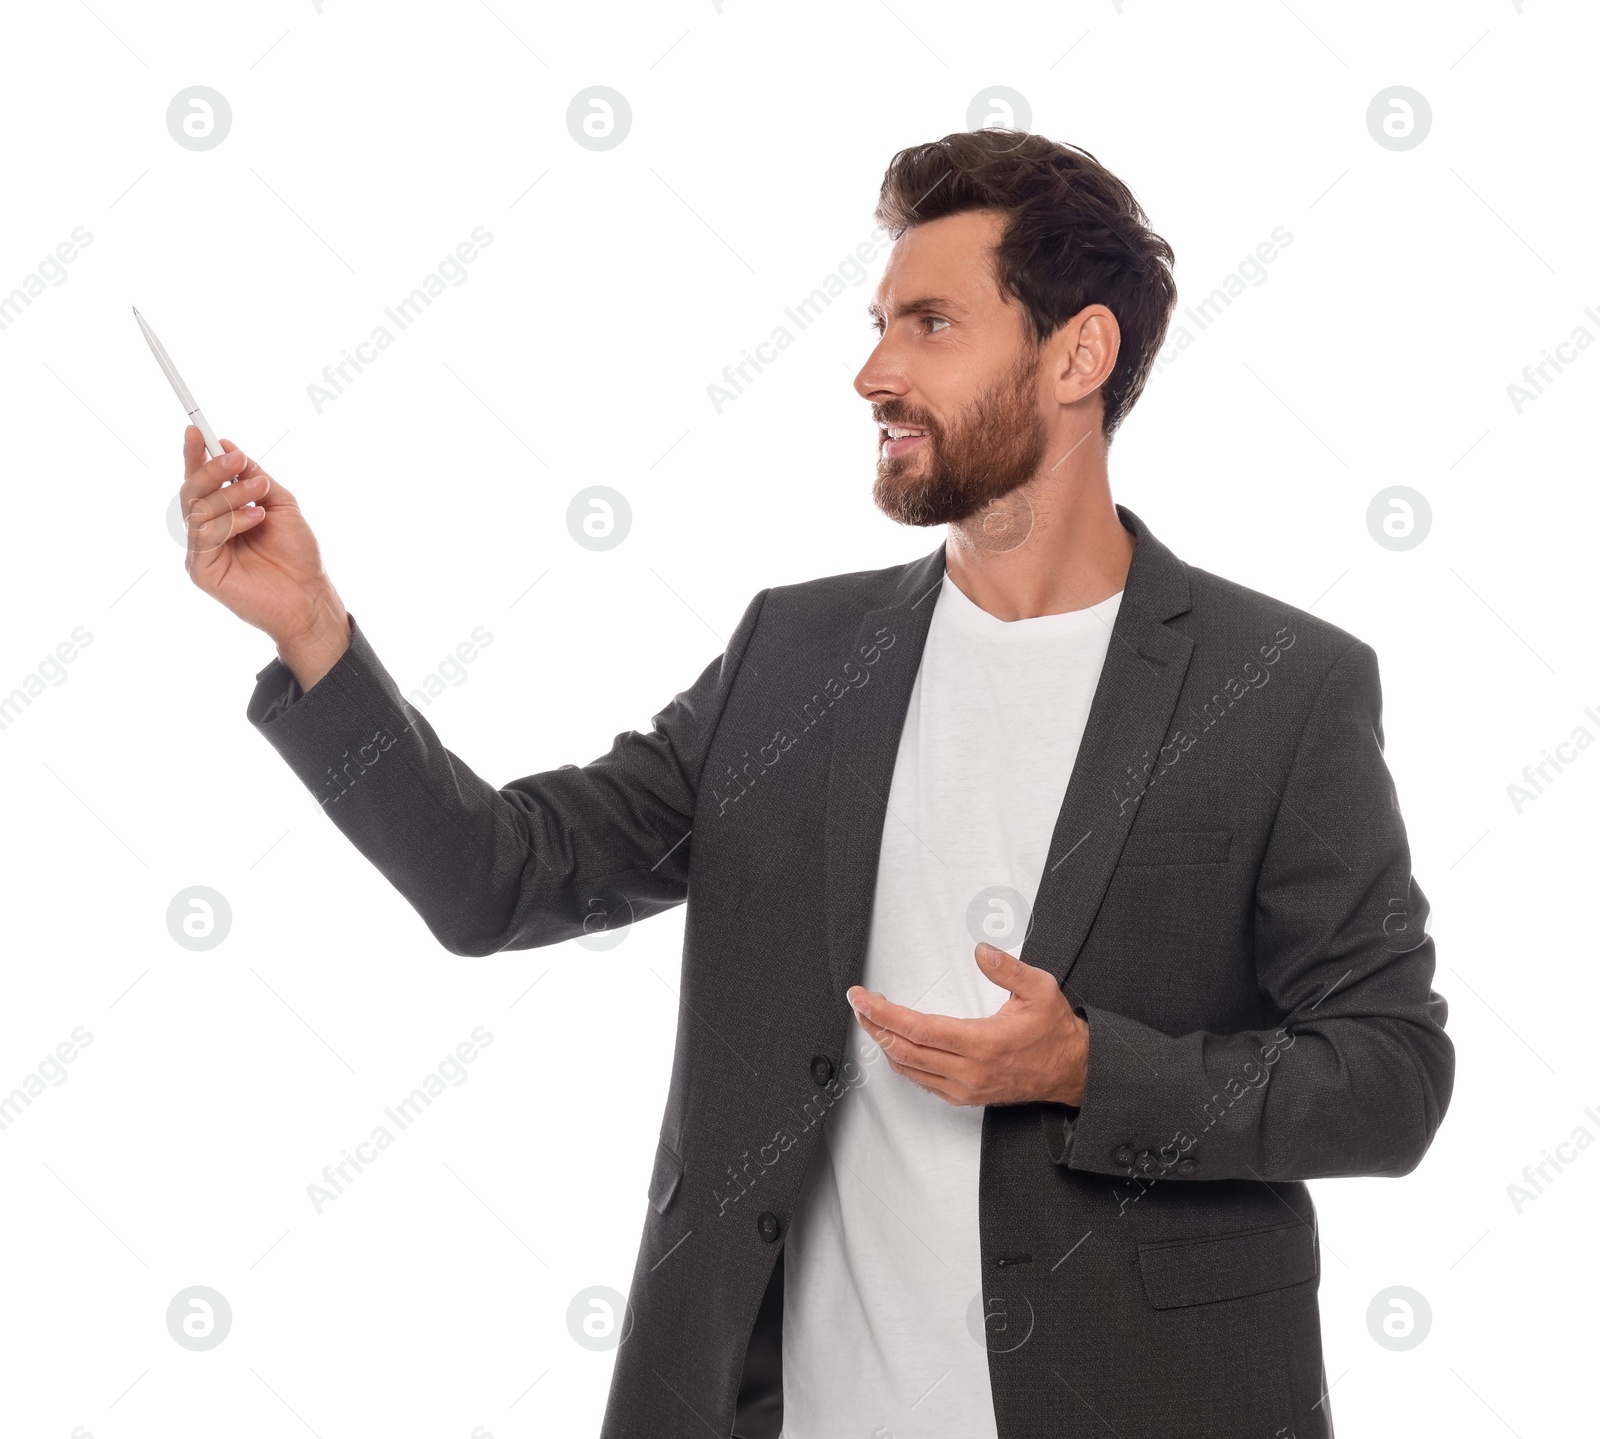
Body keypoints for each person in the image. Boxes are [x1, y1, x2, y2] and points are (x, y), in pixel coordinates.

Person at [183, 130, 1453, 1439]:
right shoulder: (794, 658)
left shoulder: (1280, 688)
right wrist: (315, 635)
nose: (873, 371)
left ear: (1077, 356)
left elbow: (1391, 1075)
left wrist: (1089, 1067)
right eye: (878, 324)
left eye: (932, 324)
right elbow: (498, 878)